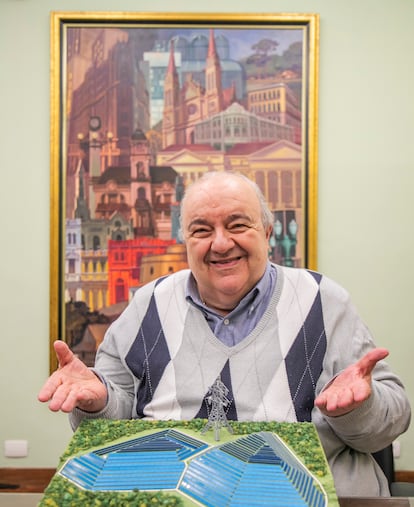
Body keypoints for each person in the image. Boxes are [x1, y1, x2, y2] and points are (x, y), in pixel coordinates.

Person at [39, 171, 410, 498]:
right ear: (186, 241)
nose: (220, 243)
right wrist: (99, 402)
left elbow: (383, 429)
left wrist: (358, 409)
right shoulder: (146, 304)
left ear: (266, 233)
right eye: (202, 230)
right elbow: (112, 429)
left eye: (237, 225)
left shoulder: (324, 300)